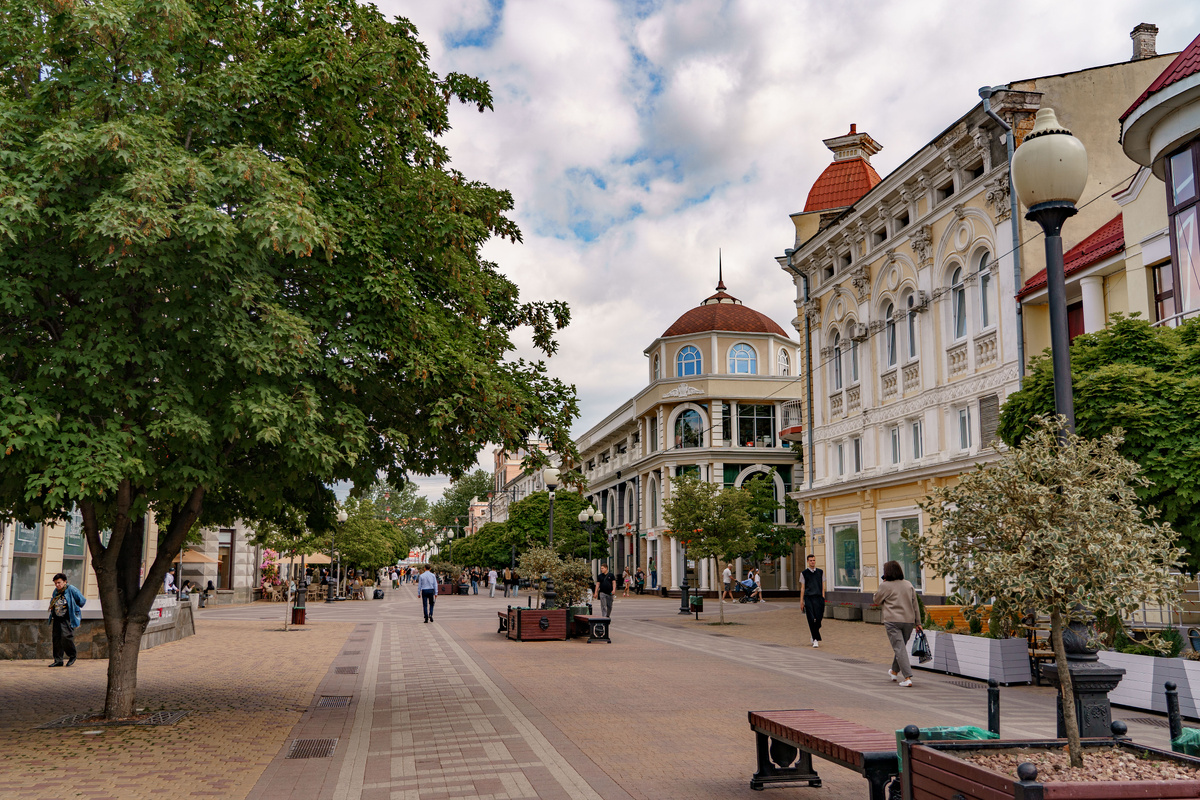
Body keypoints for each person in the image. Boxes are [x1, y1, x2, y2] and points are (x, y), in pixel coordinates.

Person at [873, 560, 923, 688]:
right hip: (908, 621)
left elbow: (876, 600)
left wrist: (881, 586)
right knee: (900, 647)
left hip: (892, 621)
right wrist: (918, 622)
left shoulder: (885, 586)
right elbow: (915, 604)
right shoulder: (908, 584)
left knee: (899, 648)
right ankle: (894, 672)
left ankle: (907, 677)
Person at [47, 573, 86, 667]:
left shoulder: (71, 589)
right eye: (55, 583)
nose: (57, 585)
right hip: (57, 617)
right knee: (56, 639)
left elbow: (82, 601)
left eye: (59, 583)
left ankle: (72, 655)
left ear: (65, 582)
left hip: (67, 617)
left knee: (66, 637)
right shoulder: (56, 591)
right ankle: (58, 660)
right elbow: (53, 600)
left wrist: (74, 608)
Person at [800, 554, 825, 648]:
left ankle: (814, 634)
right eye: (810, 560)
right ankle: (815, 639)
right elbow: (802, 588)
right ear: (807, 561)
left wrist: (823, 597)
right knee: (811, 618)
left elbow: (822, 586)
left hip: (818, 597)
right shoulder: (804, 573)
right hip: (809, 597)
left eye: (813, 560)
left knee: (818, 618)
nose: (812, 562)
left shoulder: (820, 572)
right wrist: (801, 601)